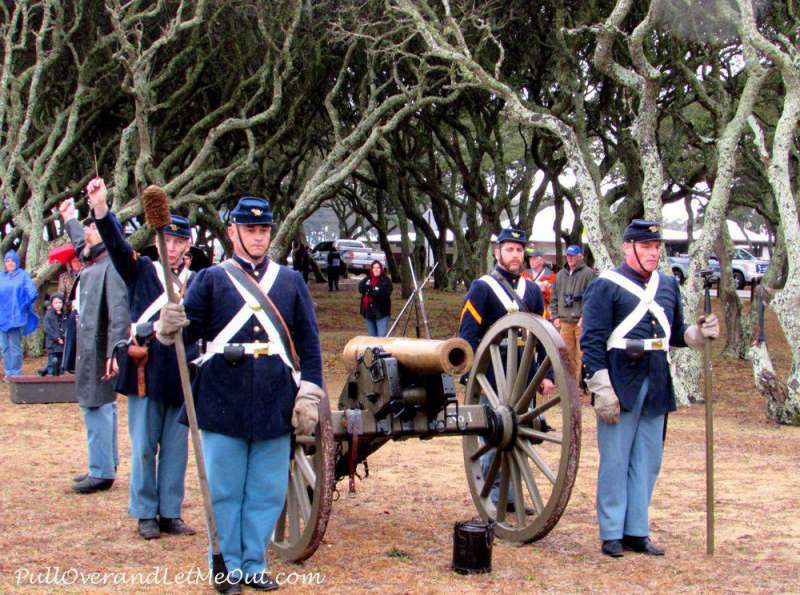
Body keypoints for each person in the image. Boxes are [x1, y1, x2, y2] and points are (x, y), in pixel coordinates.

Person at [156, 196, 324, 593]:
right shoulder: (211, 279)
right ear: (232, 232)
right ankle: (228, 565)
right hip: (221, 398)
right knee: (225, 489)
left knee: (266, 491)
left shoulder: (290, 281)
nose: (258, 237)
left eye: (264, 229)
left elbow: (310, 345)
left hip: (273, 397)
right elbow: (187, 334)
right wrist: (169, 324)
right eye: (250, 229)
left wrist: (309, 395)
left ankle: (254, 563)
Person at [581, 219, 720, 558]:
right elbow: (592, 340)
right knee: (615, 458)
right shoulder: (606, 285)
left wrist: (700, 334)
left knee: (648, 458)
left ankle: (636, 530)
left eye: (657, 247)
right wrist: (601, 387)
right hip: (620, 378)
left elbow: (676, 334)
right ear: (628, 248)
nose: (653, 253)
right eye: (646, 246)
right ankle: (612, 531)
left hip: (656, 378)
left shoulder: (668, 284)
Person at [86, 177, 197, 540]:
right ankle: (145, 512)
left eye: (180, 240)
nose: (174, 246)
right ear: (157, 240)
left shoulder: (197, 282)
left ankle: (170, 511)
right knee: (145, 446)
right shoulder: (141, 270)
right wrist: (101, 208)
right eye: (168, 239)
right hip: (147, 367)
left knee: (177, 449)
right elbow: (116, 246)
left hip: (181, 371)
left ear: (188, 245)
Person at [458, 228, 555, 513]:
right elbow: (469, 334)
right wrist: (472, 374)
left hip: (523, 371)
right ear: (497, 252)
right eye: (510, 249)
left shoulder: (533, 291)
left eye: (519, 249)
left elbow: (542, 336)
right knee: (495, 431)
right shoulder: (483, 287)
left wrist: (546, 374)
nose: (516, 255)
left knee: (518, 434)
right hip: (492, 371)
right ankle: (494, 493)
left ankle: (512, 495)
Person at [59, 200, 130, 494]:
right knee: (100, 406)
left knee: (96, 406)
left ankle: (101, 472)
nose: (87, 232)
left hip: (100, 350)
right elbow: (81, 244)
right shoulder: (95, 259)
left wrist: (115, 351)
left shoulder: (111, 267)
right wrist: (69, 219)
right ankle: (103, 463)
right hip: (90, 348)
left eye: (92, 227)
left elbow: (119, 313)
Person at [551, 244, 596, 384]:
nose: (570, 258)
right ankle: (568, 386)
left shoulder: (589, 274)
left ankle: (580, 385)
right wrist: (555, 316)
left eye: (573, 256)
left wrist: (585, 316)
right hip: (564, 321)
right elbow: (554, 298)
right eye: (568, 256)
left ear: (580, 256)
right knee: (566, 354)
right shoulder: (560, 275)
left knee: (581, 354)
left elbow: (592, 299)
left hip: (581, 322)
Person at [0, 250, 39, 381]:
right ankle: (8, 372)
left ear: (16, 262)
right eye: (7, 261)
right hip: (2, 317)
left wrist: (24, 305)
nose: (9, 263)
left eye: (12, 261)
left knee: (15, 346)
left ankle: (15, 373)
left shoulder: (22, 275)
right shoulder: (1, 276)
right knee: (4, 347)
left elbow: (32, 292)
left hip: (16, 317)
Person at [358, 260, 392, 336]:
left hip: (381, 313)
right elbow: (361, 288)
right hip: (369, 312)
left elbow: (382, 294)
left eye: (378, 268)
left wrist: (369, 290)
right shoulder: (367, 279)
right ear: (371, 269)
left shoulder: (386, 281)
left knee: (381, 337)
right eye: (374, 268)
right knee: (371, 337)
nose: (376, 269)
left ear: (381, 269)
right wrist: (372, 290)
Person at [521, 247, 556, 319]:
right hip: (526, 312)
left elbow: (555, 297)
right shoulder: (524, 274)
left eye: (534, 259)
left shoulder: (551, 276)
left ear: (542, 261)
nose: (531, 261)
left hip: (544, 314)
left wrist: (545, 290)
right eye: (530, 259)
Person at [42, 292, 68, 376]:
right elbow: (48, 328)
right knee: (52, 362)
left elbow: (66, 326)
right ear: (52, 303)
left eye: (60, 302)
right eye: (56, 303)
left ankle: (60, 375)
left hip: (63, 344)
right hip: (52, 344)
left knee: (61, 363)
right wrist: (57, 338)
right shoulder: (48, 315)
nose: (58, 305)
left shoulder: (65, 315)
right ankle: (49, 374)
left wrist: (64, 337)